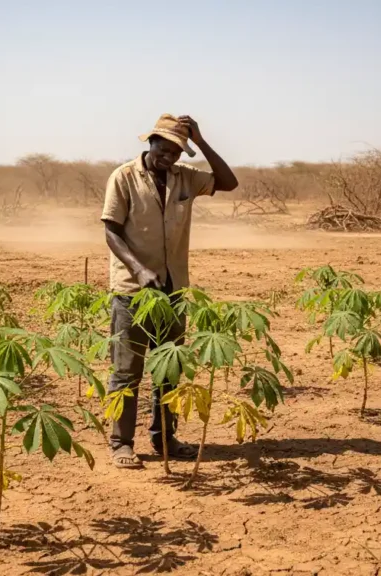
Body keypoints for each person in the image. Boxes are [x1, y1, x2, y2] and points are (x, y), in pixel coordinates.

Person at [100, 114, 239, 469]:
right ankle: (121, 443)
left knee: (169, 367)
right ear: (150, 144)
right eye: (164, 149)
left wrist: (202, 141)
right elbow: (111, 231)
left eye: (177, 151)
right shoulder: (124, 177)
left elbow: (229, 182)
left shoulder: (185, 177)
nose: (169, 157)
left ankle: (166, 438)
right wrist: (139, 269)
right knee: (127, 370)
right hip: (133, 291)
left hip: (174, 290)